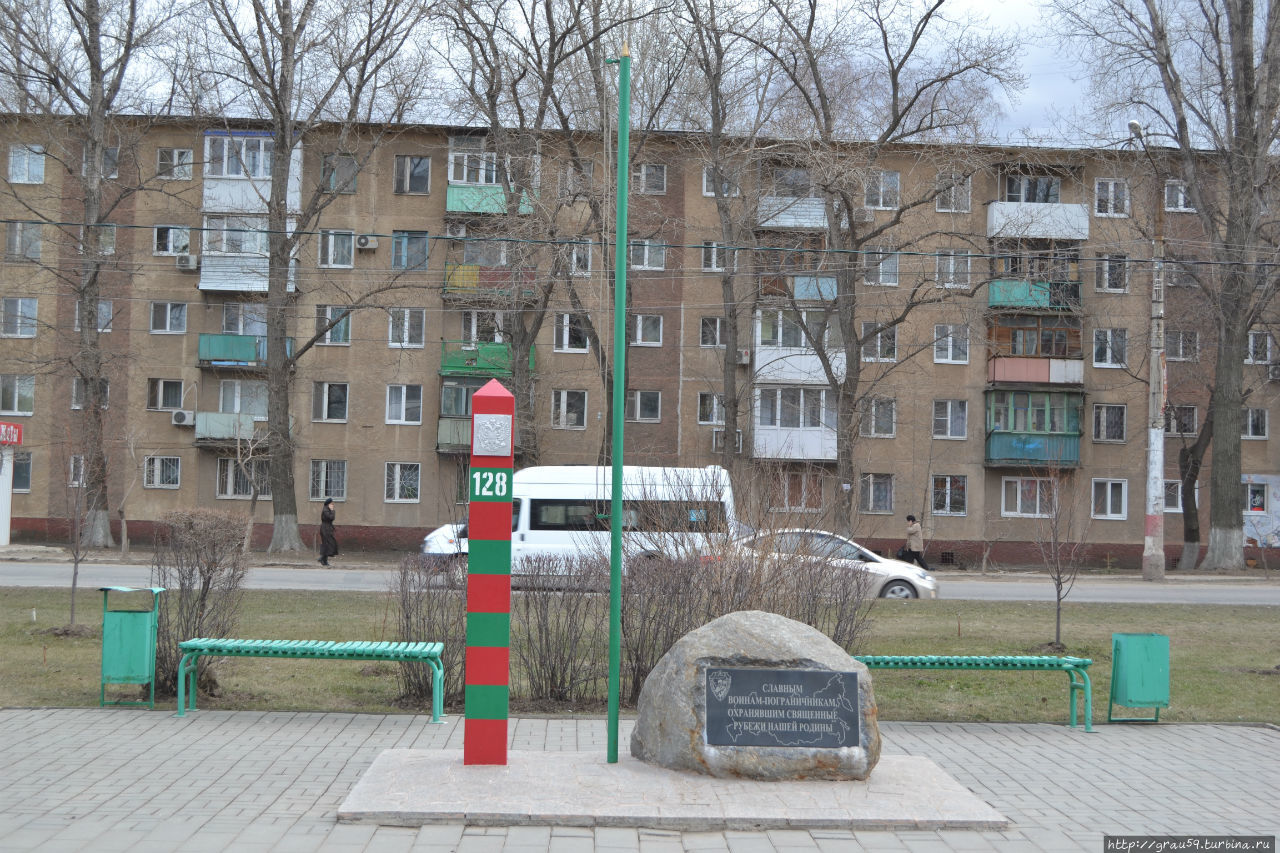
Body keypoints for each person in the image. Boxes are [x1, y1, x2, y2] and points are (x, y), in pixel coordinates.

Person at [318, 498, 339, 566]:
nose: (333, 504)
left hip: (327, 529)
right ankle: (323, 559)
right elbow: (331, 518)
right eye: (332, 503)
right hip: (325, 529)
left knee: (328, 544)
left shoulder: (327, 509)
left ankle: (323, 560)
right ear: (328, 504)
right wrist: (332, 510)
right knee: (328, 544)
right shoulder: (325, 510)